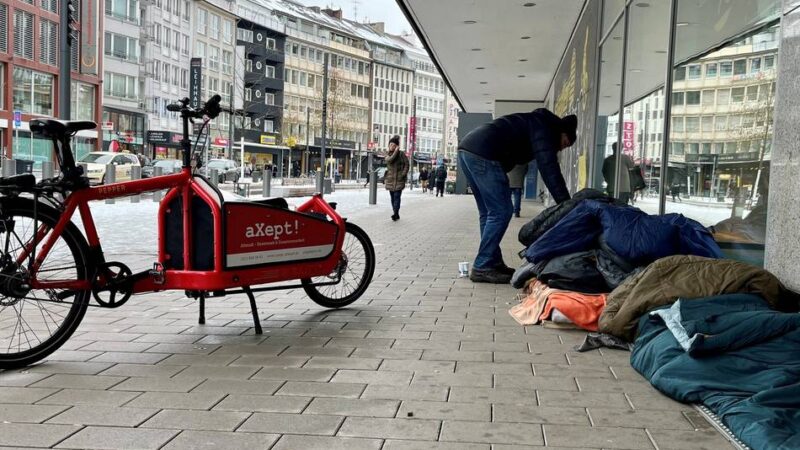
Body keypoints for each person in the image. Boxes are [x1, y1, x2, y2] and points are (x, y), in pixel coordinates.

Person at [458, 108, 577, 284]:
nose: (561, 148)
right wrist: (567, 205)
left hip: (468, 150)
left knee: (489, 213)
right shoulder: (545, 129)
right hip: (484, 153)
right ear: (561, 131)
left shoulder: (537, 123)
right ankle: (483, 266)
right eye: (565, 143)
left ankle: (491, 261)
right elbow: (549, 169)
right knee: (501, 212)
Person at [384, 135, 409, 221]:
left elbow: (407, 164)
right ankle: (396, 213)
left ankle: (395, 213)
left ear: (397, 146)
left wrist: (403, 174)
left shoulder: (401, 154)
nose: (392, 146)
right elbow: (390, 160)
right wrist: (396, 151)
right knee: (392, 198)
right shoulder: (387, 155)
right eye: (390, 145)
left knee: (397, 197)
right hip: (390, 180)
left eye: (394, 145)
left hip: (399, 180)